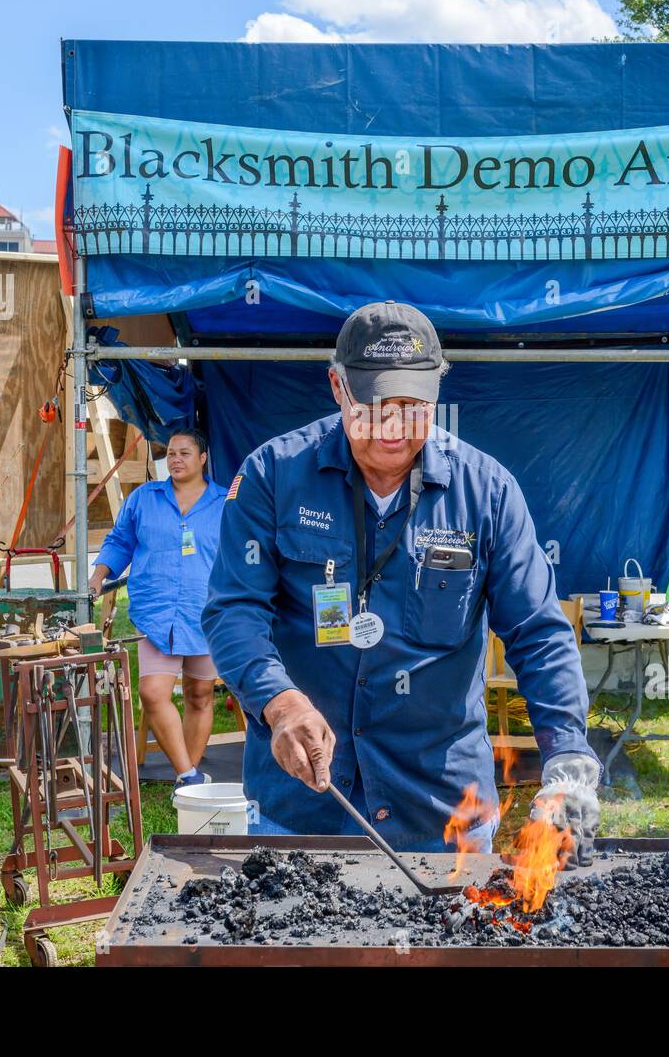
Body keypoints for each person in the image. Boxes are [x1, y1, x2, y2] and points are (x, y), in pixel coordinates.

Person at [202, 302, 600, 858]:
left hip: (442, 813)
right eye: (373, 404)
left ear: (438, 392)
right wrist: (279, 701)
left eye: (412, 407)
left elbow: (538, 632)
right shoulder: (273, 475)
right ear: (337, 387)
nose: (392, 425)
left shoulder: (486, 492)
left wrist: (567, 756)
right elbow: (233, 611)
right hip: (305, 809)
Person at [89, 428, 225, 787]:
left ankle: (188, 781)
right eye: (171, 454)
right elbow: (120, 540)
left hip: (207, 613)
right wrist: (99, 575)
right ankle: (188, 773)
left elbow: (241, 556)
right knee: (152, 693)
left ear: (202, 459)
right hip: (157, 612)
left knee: (200, 694)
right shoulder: (144, 498)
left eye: (184, 453)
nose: (176, 460)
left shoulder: (226, 503)